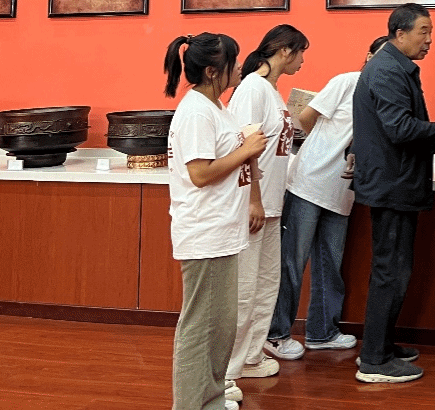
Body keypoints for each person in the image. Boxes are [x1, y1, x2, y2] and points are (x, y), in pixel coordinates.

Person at [351, 3, 435, 383]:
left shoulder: (394, 66)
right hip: (392, 184)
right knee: (391, 272)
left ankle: (380, 345)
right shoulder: (387, 70)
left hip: (395, 182)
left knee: (393, 270)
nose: (429, 40)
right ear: (400, 34)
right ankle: (374, 360)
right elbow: (399, 129)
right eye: (423, 31)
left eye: (431, 32)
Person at [265, 35, 390, 361]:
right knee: (292, 262)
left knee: (329, 264)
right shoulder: (346, 82)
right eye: (382, 55)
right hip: (309, 182)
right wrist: (324, 146)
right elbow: (305, 119)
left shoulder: (387, 95)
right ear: (369, 56)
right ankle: (276, 334)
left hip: (342, 192)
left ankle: (322, 332)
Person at [164, 32, 267, 410]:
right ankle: (192, 404)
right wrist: (246, 149)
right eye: (233, 62)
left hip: (222, 231)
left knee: (219, 327)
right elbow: (200, 173)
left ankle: (211, 398)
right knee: (201, 328)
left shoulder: (216, 107)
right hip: (204, 231)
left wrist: (244, 147)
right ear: (212, 71)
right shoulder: (196, 111)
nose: (239, 68)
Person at [225, 25, 307, 388]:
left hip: (273, 203)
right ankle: (229, 367)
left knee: (266, 285)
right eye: (301, 52)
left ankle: (252, 357)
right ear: (285, 51)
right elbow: (245, 149)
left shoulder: (271, 91)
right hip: (254, 204)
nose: (302, 61)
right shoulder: (252, 89)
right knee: (245, 289)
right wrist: (254, 199)